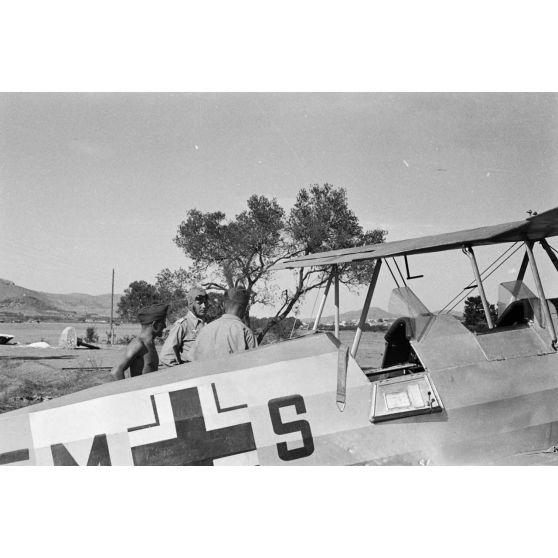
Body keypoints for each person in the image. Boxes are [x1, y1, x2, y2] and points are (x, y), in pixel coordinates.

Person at [190, 287, 257, 361]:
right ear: (247, 308)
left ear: (223, 305)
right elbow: (254, 366)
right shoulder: (246, 332)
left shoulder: (204, 329)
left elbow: (192, 362)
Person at [110, 303, 168, 380]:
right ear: (155, 324)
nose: (165, 326)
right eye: (163, 322)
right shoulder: (138, 344)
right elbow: (116, 371)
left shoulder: (150, 344)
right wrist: (128, 391)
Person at [160, 287, 208, 366]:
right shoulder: (182, 325)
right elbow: (166, 356)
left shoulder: (208, 323)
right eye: (200, 303)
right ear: (191, 303)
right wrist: (181, 372)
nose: (204, 306)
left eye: (205, 302)